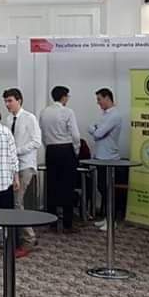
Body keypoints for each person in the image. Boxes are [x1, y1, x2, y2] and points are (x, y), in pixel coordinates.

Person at [39, 86, 81, 237]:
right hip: (66, 150)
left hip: (51, 151)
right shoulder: (68, 112)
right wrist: (76, 150)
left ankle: (52, 223)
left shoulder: (44, 112)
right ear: (64, 97)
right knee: (68, 187)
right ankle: (67, 224)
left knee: (52, 187)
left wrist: (49, 147)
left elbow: (43, 134)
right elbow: (75, 135)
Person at [4, 88, 41, 250]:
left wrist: (17, 151)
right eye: (6, 101)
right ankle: (20, 237)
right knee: (15, 202)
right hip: (12, 165)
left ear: (19, 100)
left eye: (10, 101)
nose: (7, 104)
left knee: (17, 202)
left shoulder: (29, 118)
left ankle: (29, 237)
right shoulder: (8, 119)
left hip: (25, 164)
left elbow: (36, 141)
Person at [88, 88, 124, 231]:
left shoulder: (114, 115)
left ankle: (112, 220)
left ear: (107, 98)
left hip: (109, 158)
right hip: (100, 156)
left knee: (109, 190)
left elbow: (98, 133)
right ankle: (107, 218)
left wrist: (94, 129)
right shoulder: (104, 115)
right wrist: (95, 129)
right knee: (102, 188)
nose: (98, 103)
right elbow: (95, 129)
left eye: (99, 99)